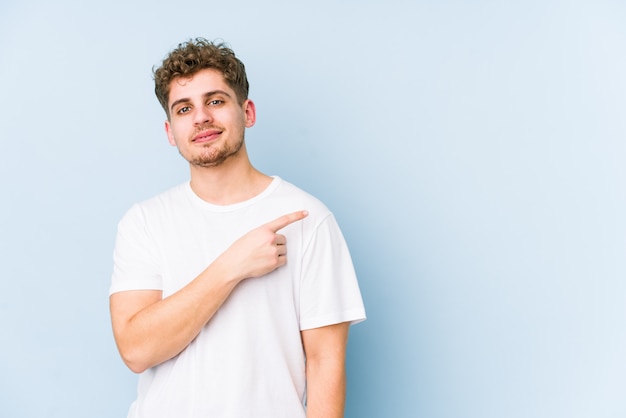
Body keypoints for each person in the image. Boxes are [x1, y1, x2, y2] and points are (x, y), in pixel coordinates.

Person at [109, 38, 366, 418]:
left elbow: (325, 361)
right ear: (170, 131)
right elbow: (136, 350)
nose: (201, 118)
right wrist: (233, 265)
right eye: (184, 108)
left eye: (215, 101)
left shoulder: (308, 219)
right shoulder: (144, 221)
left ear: (247, 111)